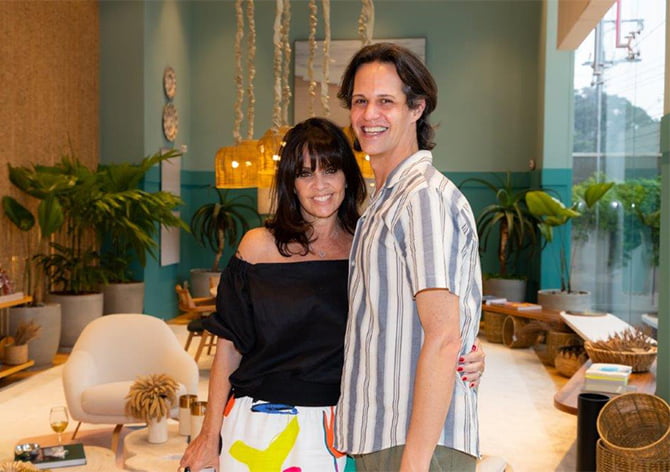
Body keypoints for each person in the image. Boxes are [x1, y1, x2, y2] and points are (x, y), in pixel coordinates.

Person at [179, 117, 484, 472]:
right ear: (291, 183)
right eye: (305, 173)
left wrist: (468, 353)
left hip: (345, 429)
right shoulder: (257, 247)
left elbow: (414, 318)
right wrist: (208, 434)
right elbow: (229, 348)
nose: (319, 185)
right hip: (258, 422)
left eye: (330, 170)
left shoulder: (369, 246)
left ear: (347, 177)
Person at [334, 42, 482, 472]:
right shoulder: (384, 202)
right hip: (383, 435)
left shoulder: (422, 199)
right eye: (360, 101)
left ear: (417, 108)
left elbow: (444, 336)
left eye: (386, 101)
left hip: (416, 445)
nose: (369, 115)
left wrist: (414, 462)